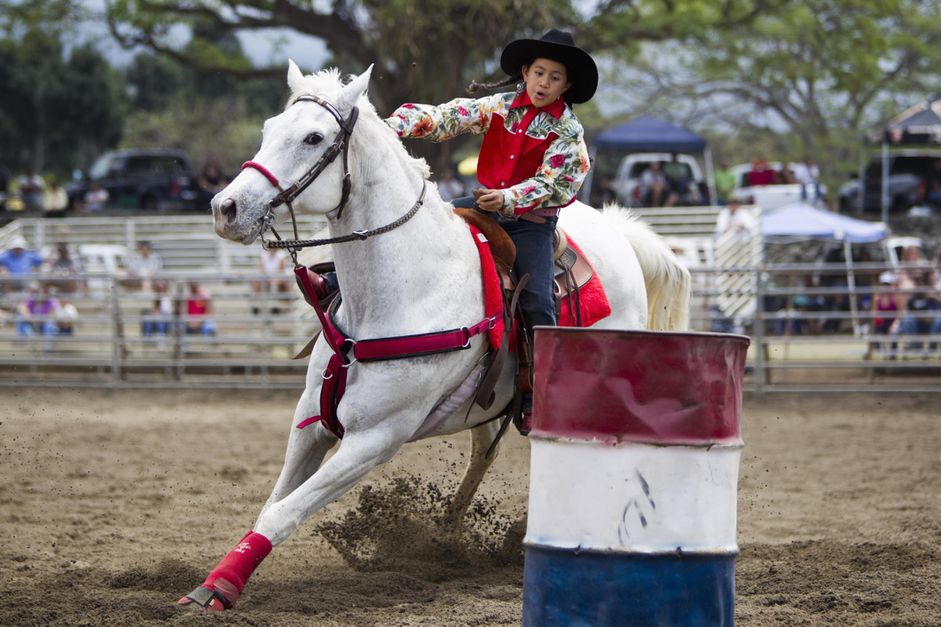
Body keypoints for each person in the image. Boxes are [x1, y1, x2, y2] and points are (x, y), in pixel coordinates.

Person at [315, 29, 597, 433]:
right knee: (418, 229)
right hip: (485, 205)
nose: (544, 83)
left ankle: (535, 386)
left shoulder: (569, 132)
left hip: (530, 224)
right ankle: (336, 278)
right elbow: (451, 116)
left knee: (536, 299)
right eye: (539, 73)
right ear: (525, 72)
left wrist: (510, 198)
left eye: (555, 78)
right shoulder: (501, 106)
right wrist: (395, 125)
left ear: (566, 85)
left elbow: (558, 182)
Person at [252, 247, 291, 315]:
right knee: (257, 282)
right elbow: (261, 269)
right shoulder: (263, 254)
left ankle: (274, 305)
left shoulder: (281, 255)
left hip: (278, 276)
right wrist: (267, 278)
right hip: (266, 276)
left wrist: (273, 278)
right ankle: (255, 304)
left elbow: (280, 270)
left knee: (274, 283)